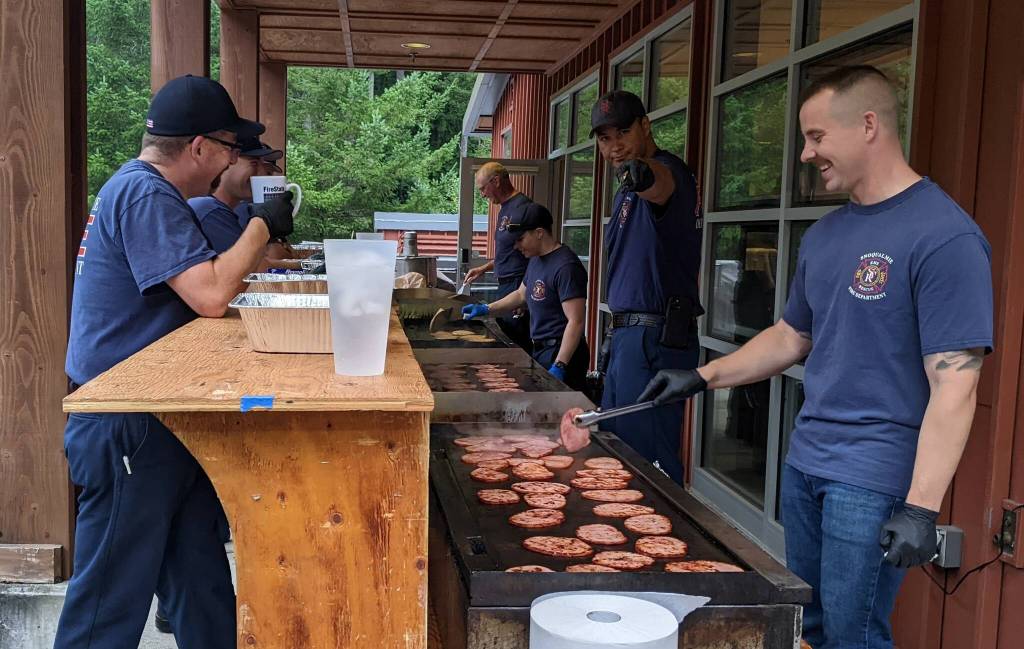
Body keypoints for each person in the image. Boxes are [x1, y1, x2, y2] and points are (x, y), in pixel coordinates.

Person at [637, 66, 993, 649]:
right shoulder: (828, 235)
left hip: (871, 476)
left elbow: (956, 383)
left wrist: (922, 508)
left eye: (817, 137)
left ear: (869, 126)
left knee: (854, 637)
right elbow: (789, 336)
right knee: (812, 627)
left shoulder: (944, 236)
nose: (806, 153)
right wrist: (702, 376)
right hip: (805, 464)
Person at [57, 74, 295, 649]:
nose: (233, 160)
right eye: (231, 149)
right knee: (108, 603)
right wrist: (264, 223)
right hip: (125, 420)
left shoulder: (151, 194)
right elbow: (212, 295)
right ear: (199, 148)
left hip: (161, 416)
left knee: (199, 580)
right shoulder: (143, 193)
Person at [591, 89, 703, 484]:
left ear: (646, 125)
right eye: (605, 139)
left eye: (623, 133)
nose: (614, 146)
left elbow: (660, 184)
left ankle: (669, 543)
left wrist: (641, 175)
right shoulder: (624, 190)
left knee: (648, 462)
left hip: (655, 337)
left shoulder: (667, 172)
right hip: (625, 336)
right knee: (615, 450)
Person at [462, 203, 590, 391]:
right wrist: (487, 309)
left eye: (520, 239)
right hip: (541, 349)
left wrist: (560, 365)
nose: (516, 246)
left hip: (563, 354)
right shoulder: (536, 259)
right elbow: (521, 294)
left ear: (539, 232)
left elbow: (576, 321)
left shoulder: (566, 266)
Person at [462, 161, 533, 349]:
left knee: (516, 343)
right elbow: (509, 252)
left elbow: (534, 252)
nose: (482, 194)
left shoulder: (523, 208)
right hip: (506, 283)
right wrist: (483, 268)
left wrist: (524, 295)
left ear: (496, 181)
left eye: (483, 188)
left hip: (518, 284)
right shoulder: (504, 209)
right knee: (506, 337)